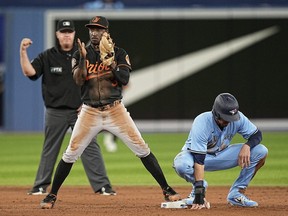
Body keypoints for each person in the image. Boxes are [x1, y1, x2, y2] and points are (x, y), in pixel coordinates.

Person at [39, 15, 181, 209]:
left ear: (106, 32)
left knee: (142, 148)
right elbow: (79, 81)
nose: (94, 32)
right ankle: (52, 195)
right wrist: (81, 58)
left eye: (98, 29)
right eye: (91, 29)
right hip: (90, 112)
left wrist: (111, 62)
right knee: (71, 153)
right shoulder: (80, 53)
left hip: (115, 110)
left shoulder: (119, 53)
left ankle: (166, 188)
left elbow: (124, 79)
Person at [19, 19, 116, 196]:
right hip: (55, 111)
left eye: (69, 32)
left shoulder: (82, 54)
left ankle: (103, 187)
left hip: (81, 111)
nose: (66, 35)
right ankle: (40, 186)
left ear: (73, 35)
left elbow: (94, 79)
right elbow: (30, 73)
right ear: (57, 35)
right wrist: (23, 51)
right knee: (50, 148)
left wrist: (87, 102)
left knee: (90, 147)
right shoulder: (47, 56)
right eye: (63, 32)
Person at [173, 93, 268, 209]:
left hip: (221, 155)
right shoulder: (202, 122)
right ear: (216, 114)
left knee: (261, 151)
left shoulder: (238, 118)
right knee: (181, 164)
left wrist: (247, 145)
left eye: (231, 118)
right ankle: (198, 189)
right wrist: (199, 191)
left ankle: (236, 193)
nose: (229, 121)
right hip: (194, 157)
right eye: (225, 118)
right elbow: (199, 159)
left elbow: (256, 134)